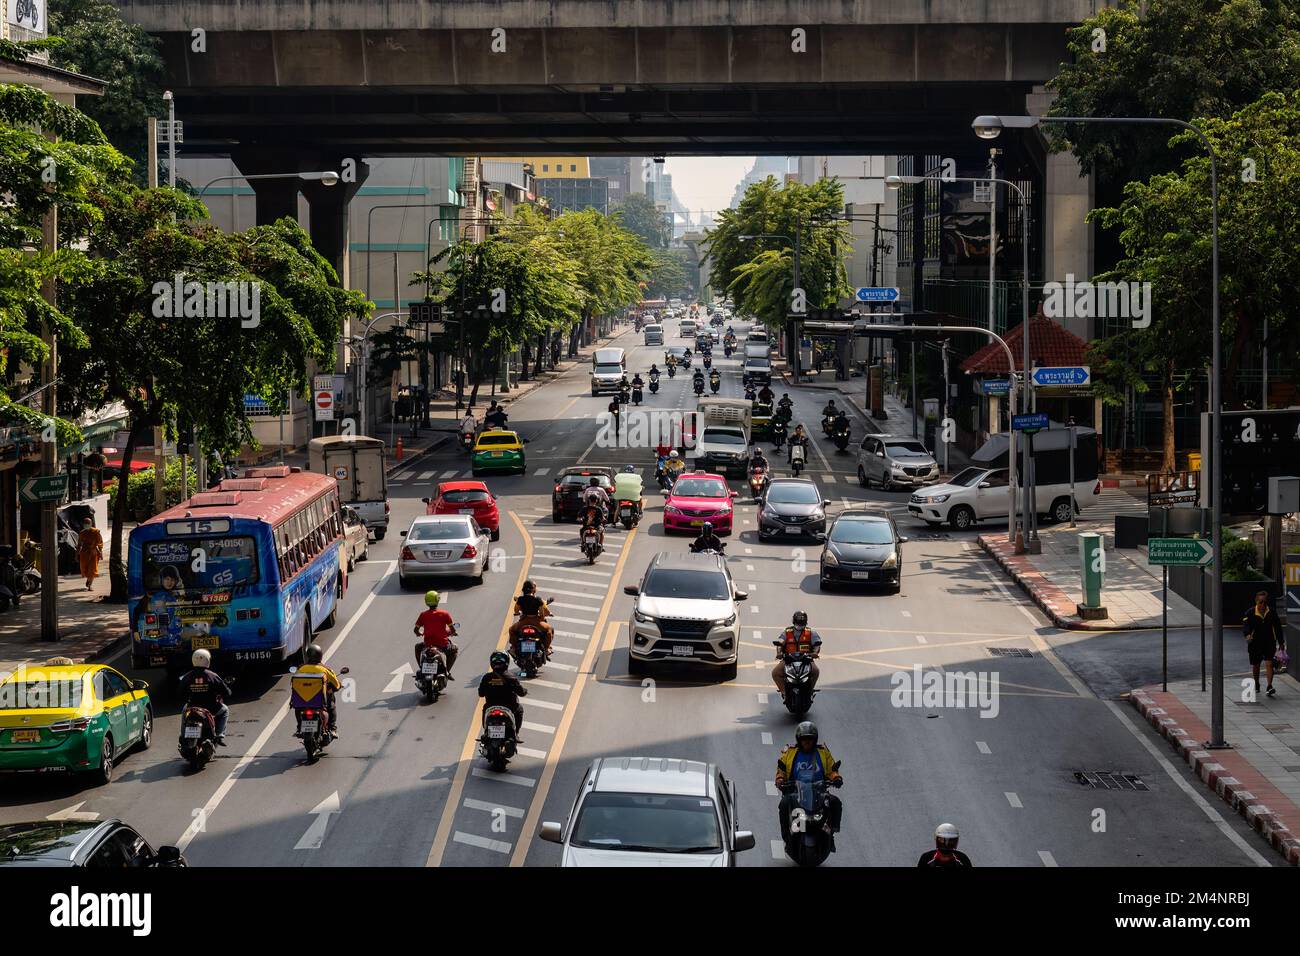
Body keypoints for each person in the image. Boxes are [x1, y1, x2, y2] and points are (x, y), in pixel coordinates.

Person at [774, 721, 843, 842]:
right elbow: (781, 770)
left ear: (815, 740)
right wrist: (780, 779)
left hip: (818, 790)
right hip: (795, 791)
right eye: (804, 739)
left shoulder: (822, 752)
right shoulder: (790, 752)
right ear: (799, 740)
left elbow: (831, 769)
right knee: (784, 804)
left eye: (810, 739)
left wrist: (836, 778)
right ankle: (786, 836)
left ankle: (831, 833)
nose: (807, 742)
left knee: (835, 802)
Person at [178, 649, 234, 745]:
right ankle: (219, 735)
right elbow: (226, 692)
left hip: (192, 707)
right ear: (207, 660)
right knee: (225, 710)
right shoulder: (212, 676)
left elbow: (179, 692)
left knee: (184, 710)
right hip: (211, 708)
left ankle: (183, 736)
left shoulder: (187, 676)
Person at [1244, 590, 1286, 697]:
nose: (1263, 605)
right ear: (1256, 601)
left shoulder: (1272, 612)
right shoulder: (1249, 613)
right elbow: (1246, 626)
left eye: (1265, 602)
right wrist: (1248, 635)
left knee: (1269, 663)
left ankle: (1269, 686)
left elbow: (1278, 628)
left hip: (1269, 642)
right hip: (1255, 643)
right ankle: (1257, 683)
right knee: (1256, 665)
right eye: (1261, 602)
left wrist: (1281, 642)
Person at [772, 610, 821, 701]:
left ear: (806, 622)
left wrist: (815, 653)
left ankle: (810, 691)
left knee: (816, 671)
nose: (800, 625)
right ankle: (785, 693)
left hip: (806, 660)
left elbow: (817, 645)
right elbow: (781, 642)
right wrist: (779, 653)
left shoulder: (811, 633)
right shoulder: (787, 632)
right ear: (794, 622)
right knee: (775, 673)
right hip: (789, 660)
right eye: (798, 623)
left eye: (802, 623)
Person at [478, 651, 527, 740]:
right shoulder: (511, 678)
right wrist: (525, 691)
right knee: (519, 710)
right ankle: (516, 734)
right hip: (509, 707)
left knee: (485, 710)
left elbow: (480, 694)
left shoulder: (486, 677)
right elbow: (521, 693)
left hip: (490, 706)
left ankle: (486, 732)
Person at [297, 644, 343, 738]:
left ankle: (299, 728)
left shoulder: (301, 669)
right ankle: (333, 728)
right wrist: (338, 686)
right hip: (320, 701)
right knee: (332, 706)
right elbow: (337, 685)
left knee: (298, 709)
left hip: (302, 700)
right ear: (320, 656)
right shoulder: (325, 670)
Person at [414, 589, 458, 678]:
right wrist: (453, 633)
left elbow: (415, 630)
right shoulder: (445, 614)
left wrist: (419, 633)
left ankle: (421, 667)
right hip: (443, 646)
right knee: (455, 649)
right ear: (438, 600)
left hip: (428, 645)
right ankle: (447, 671)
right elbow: (452, 630)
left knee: (417, 647)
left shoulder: (423, 615)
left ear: (426, 601)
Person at [509, 579, 553, 658]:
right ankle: (546, 649)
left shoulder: (520, 599)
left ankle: (513, 648)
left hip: (523, 622)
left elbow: (516, 609)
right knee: (550, 630)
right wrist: (543, 617)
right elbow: (543, 612)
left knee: (511, 630)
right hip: (536, 622)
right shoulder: (538, 599)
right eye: (535, 586)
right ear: (532, 589)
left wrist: (517, 613)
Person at [77, 517, 103, 591]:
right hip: (84, 553)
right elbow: (79, 544)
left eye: (88, 523)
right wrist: (77, 554)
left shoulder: (96, 532)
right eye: (85, 523)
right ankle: (88, 579)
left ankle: (90, 585)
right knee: (84, 569)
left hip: (93, 552)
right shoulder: (82, 533)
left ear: (91, 524)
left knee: (92, 569)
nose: (87, 525)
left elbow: (100, 542)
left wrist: (100, 552)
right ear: (83, 524)